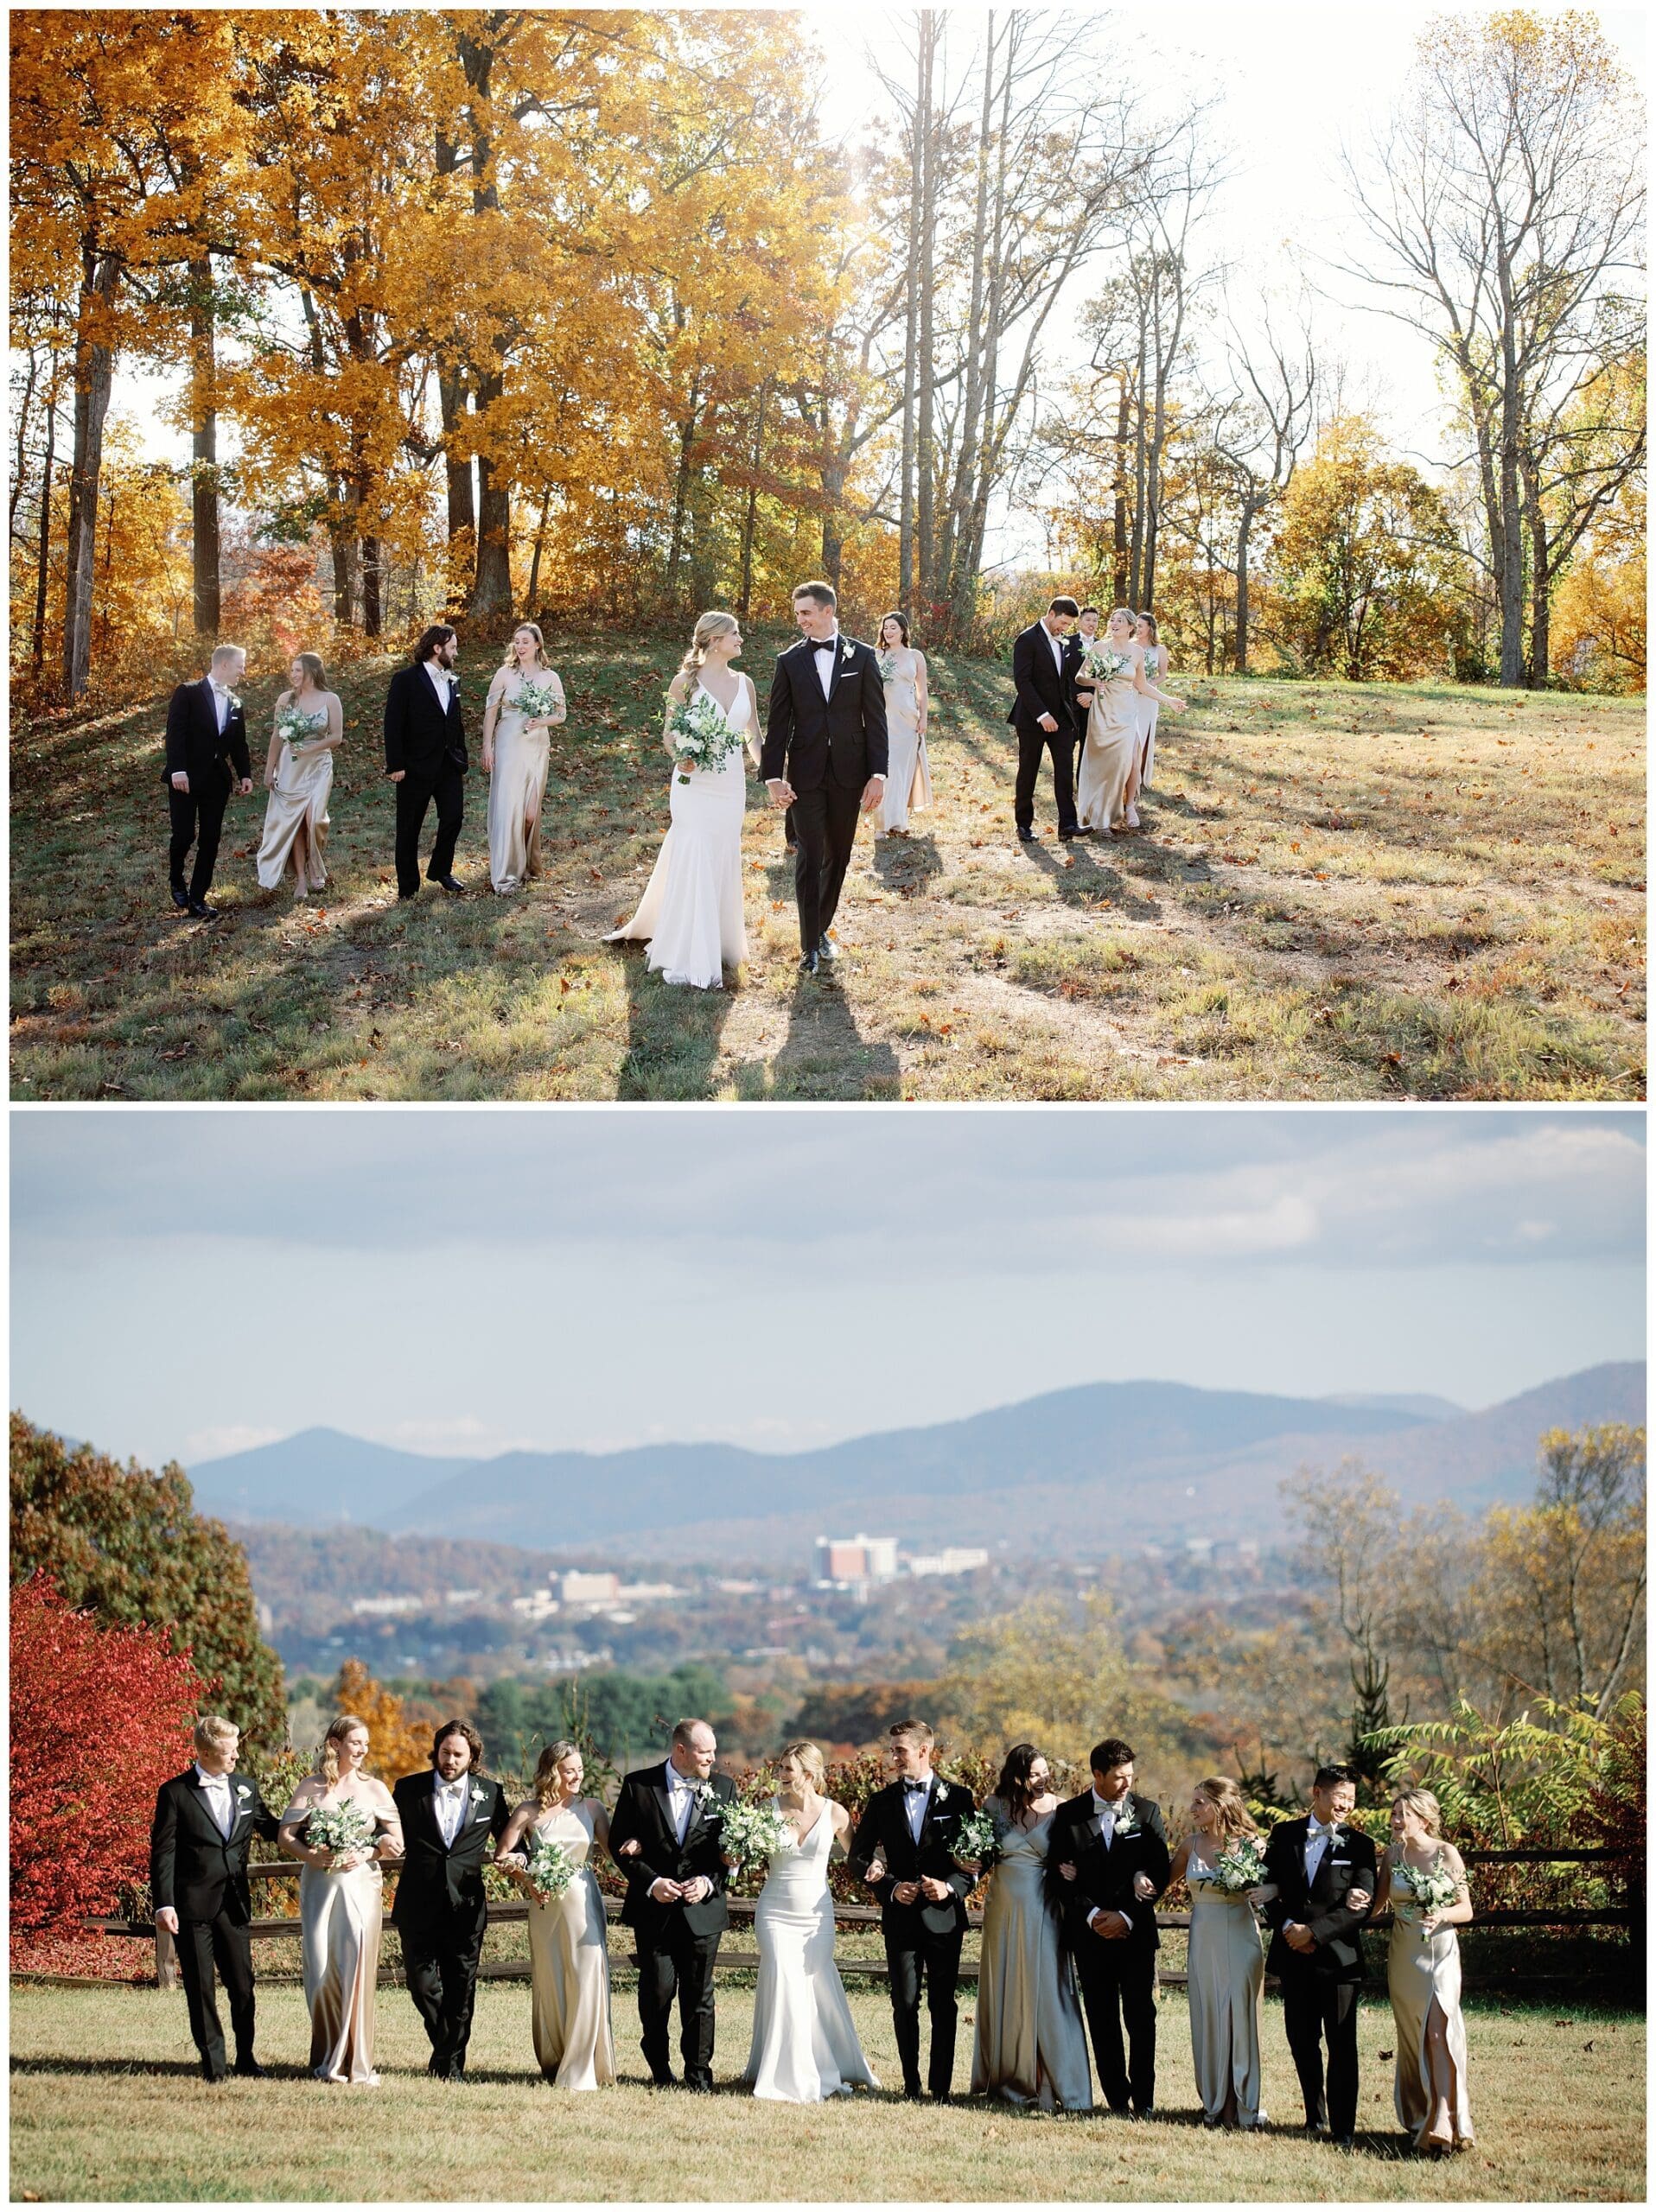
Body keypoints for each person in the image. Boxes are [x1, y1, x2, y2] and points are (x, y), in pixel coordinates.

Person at [608, 613, 761, 988]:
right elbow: (670, 735)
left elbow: (754, 736)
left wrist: (772, 776)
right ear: (713, 640)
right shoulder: (685, 683)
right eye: (734, 633)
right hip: (694, 785)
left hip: (730, 786)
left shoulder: (746, 683)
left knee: (722, 853)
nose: (741, 638)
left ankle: (720, 943)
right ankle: (688, 948)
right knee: (695, 851)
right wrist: (681, 756)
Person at [760, 579, 888, 976]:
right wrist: (772, 777)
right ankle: (808, 947)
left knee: (840, 856)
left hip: (850, 776)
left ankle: (820, 929)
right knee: (809, 856)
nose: (800, 621)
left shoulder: (863, 656)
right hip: (805, 775)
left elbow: (876, 720)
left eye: (806, 613)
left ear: (828, 611)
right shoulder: (789, 661)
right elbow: (777, 723)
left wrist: (878, 774)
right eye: (798, 614)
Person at [740, 1740, 877, 2102]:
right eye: (780, 1768)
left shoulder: (835, 1813)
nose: (780, 1775)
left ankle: (822, 2064)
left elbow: (856, 1859)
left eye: (788, 1769)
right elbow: (741, 1855)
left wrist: (876, 1870)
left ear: (810, 1774)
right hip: (774, 1911)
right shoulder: (764, 1811)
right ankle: (785, 2073)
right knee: (784, 1979)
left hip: (817, 1916)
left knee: (811, 1985)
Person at [149, 1714, 281, 2082]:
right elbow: (164, 1852)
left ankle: (247, 2057)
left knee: (242, 1985)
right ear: (205, 1753)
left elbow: (271, 1828)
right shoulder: (175, 1793)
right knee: (201, 1986)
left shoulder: (246, 1788)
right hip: (191, 1907)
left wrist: (315, 1825)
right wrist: (164, 1903)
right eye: (229, 1752)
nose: (237, 1757)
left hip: (234, 1903)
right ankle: (214, 2065)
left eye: (237, 1750)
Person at [606, 1718, 736, 2091]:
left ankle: (698, 2075)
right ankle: (660, 2071)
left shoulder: (725, 1788)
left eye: (713, 1750)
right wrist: (652, 1883)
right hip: (654, 1912)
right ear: (681, 1750)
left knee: (700, 1994)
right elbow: (620, 1846)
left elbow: (735, 1851)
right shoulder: (638, 1786)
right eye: (705, 1751)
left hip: (702, 1912)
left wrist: (709, 1883)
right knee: (657, 1991)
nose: (713, 1757)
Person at [849, 1719, 974, 2101]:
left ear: (923, 1750)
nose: (894, 1757)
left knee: (943, 2003)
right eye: (893, 1750)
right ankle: (911, 2085)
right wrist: (889, 1886)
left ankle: (940, 2088)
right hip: (900, 1919)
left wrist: (950, 1887)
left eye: (900, 1750)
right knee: (904, 2003)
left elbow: (976, 1861)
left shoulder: (959, 1799)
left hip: (944, 1920)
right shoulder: (882, 1801)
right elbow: (857, 1858)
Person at [1047, 1736, 1170, 2119]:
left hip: (1135, 1933)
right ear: (1097, 1774)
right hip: (1090, 1934)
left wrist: (1128, 1915)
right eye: (1119, 1777)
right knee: (1102, 2019)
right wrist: (1093, 1915)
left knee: (1140, 2015)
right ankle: (1117, 2099)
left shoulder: (1147, 1812)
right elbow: (1058, 1876)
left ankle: (1145, 2100)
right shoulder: (1069, 1815)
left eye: (1131, 1775)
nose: (1127, 1784)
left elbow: (1160, 1870)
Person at [278, 1713, 403, 2085]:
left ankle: (354, 2060)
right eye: (355, 1742)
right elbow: (286, 1835)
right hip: (321, 1887)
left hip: (361, 1888)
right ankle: (325, 2054)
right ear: (335, 1745)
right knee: (320, 1971)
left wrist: (369, 1850)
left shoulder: (376, 1789)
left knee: (354, 1968)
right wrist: (311, 1855)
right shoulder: (311, 1787)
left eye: (366, 1743)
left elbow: (396, 1844)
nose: (363, 1749)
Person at [967, 1743, 1092, 2112]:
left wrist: (1072, 1871)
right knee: (1008, 1985)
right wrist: (968, 1865)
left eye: (1045, 1773)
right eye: (1034, 1774)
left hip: (1043, 1904)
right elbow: (981, 1857)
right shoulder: (994, 1808)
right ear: (1017, 1775)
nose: (1042, 1780)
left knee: (1047, 1988)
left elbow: (1080, 1855)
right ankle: (1010, 2079)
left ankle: (1057, 2082)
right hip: (1002, 1904)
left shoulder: (1060, 1808)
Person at [1261, 1762, 1378, 2150]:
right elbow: (1265, 1888)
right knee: (1301, 2038)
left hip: (1339, 1959)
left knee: (1342, 2042)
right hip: (1294, 1955)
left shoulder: (1360, 1845)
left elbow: (1359, 1905)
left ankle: (1344, 2126)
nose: (1346, 1804)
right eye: (1340, 1796)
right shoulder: (1285, 1834)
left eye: (1352, 1799)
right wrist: (1289, 1929)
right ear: (1317, 1793)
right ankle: (1315, 2116)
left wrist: (1315, 1933)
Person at [388, 1719, 511, 2081]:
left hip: (466, 1908)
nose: (451, 1760)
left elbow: (509, 1840)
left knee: (462, 1989)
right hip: (417, 1904)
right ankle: (447, 2050)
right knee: (421, 1984)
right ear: (436, 1751)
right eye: (445, 1752)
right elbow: (387, 1832)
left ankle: (450, 2067)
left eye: (459, 1754)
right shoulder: (408, 1789)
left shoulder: (490, 1792)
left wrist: (518, 1858)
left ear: (472, 1756)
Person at [496, 1738, 616, 2091]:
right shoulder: (528, 1812)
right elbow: (502, 1856)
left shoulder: (592, 1808)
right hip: (545, 1903)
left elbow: (614, 1855)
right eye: (569, 1771)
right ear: (553, 1773)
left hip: (582, 1901)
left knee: (585, 1974)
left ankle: (584, 2066)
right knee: (553, 1978)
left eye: (579, 1769)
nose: (577, 1776)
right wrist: (526, 1877)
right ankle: (556, 2058)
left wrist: (637, 1846)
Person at [1167, 1777, 1272, 2129]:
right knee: (1209, 2013)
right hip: (1204, 1938)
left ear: (1220, 1805)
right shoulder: (1190, 1845)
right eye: (1192, 1801)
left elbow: (1280, 1884)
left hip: (1242, 1936)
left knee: (1239, 2015)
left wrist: (1271, 1889)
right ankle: (1217, 2102)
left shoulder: (1253, 1845)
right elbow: (1160, 1882)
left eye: (1199, 1802)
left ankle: (1244, 2103)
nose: (1192, 1808)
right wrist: (1138, 1879)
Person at [1373, 1787, 1474, 2154]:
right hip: (1404, 1954)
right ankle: (1423, 2113)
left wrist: (1442, 1914)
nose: (1395, 1821)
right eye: (1394, 1814)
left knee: (1438, 2033)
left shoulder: (1446, 1853)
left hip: (1441, 1951)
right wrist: (1353, 1901)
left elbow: (1466, 1909)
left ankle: (1445, 2118)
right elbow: (1377, 1906)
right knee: (1414, 2036)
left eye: (1402, 1815)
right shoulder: (1392, 1856)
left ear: (1424, 1819)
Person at [1075, 609, 1185, 836]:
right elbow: (1079, 676)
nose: (1114, 623)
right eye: (1112, 620)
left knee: (1123, 761)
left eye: (1120, 621)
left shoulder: (1137, 653)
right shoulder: (1099, 648)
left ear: (1130, 627)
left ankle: (1122, 807)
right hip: (1103, 710)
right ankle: (1100, 818)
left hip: (1127, 713)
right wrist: (1094, 682)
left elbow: (1142, 685)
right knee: (1102, 761)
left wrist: (1169, 700)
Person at [163, 642, 253, 918]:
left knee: (210, 839)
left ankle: (197, 898)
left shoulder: (236, 701)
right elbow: (175, 733)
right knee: (184, 834)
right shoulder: (188, 692)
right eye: (240, 665)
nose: (243, 670)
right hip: (185, 778)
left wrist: (245, 774)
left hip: (216, 780)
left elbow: (239, 743)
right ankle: (176, 879)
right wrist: (178, 769)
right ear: (224, 664)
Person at [384, 623, 468, 899]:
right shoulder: (405, 679)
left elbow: (455, 722)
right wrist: (396, 764)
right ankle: (408, 887)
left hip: (448, 765)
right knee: (408, 828)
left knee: (453, 817)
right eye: (452, 648)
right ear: (437, 648)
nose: (456, 652)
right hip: (414, 767)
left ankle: (441, 869)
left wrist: (462, 756)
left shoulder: (452, 680)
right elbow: (393, 724)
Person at [481, 622, 566, 894]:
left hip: (537, 746)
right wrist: (487, 746)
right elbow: (490, 712)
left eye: (525, 642)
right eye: (516, 641)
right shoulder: (504, 674)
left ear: (537, 645)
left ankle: (526, 864)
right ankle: (506, 873)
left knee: (530, 813)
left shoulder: (550, 677)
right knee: (509, 808)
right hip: (508, 744)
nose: (520, 646)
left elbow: (561, 714)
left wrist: (541, 721)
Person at [256, 652, 343, 899]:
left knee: (314, 820)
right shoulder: (286, 699)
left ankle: (315, 865)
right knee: (294, 822)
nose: (293, 674)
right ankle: (302, 880)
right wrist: (269, 769)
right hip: (290, 767)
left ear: (311, 672)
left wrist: (309, 748)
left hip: (318, 766)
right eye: (291, 670)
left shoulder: (330, 699)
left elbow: (336, 737)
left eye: (297, 670)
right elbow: (276, 736)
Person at [1007, 596, 1082, 843]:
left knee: (1064, 769)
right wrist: (1042, 715)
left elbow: (1064, 682)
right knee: (1028, 771)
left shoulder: (1063, 642)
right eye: (1062, 622)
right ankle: (1024, 825)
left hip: (1061, 720)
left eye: (1069, 626)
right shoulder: (1027, 639)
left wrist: (1068, 716)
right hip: (1032, 719)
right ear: (1051, 613)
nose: (1064, 629)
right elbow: (1023, 681)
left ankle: (1068, 825)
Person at [875, 612, 931, 836]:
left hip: (908, 720)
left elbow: (922, 690)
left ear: (903, 631)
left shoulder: (915, 656)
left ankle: (898, 822)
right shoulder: (877, 654)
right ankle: (881, 824)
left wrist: (923, 717)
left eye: (893, 628)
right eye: (886, 627)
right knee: (884, 770)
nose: (888, 632)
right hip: (884, 719)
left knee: (902, 770)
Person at [1127, 612, 1165, 810]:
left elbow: (1163, 675)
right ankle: (1130, 776)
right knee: (1134, 735)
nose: (1138, 629)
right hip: (1131, 695)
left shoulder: (1159, 649)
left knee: (1145, 735)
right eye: (1137, 625)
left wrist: (1149, 684)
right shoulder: (1129, 645)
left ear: (1150, 627)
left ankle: (1141, 776)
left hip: (1149, 697)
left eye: (1142, 625)